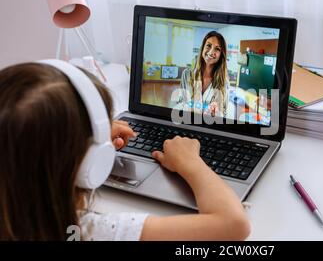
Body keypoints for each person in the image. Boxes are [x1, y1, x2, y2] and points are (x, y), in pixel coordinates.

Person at [0, 62, 250, 241]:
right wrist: (192, 163)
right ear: (91, 164)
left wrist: (84, 137)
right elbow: (234, 225)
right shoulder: (87, 232)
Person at [178, 31, 230, 117]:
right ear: (202, 48)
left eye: (217, 49)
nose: (211, 52)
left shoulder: (224, 82)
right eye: (208, 46)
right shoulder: (187, 74)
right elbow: (180, 103)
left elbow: (223, 113)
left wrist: (216, 114)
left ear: (221, 55)